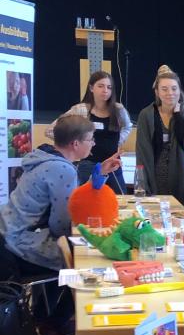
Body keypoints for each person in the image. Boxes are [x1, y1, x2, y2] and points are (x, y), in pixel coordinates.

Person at [0, 115, 121, 279]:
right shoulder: (62, 169)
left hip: (9, 236)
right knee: (89, 261)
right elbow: (61, 227)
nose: (94, 143)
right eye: (91, 139)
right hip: (21, 243)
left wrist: (99, 176)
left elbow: (70, 201)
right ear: (75, 144)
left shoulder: (46, 157)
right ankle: (60, 303)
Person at [45, 70, 132, 195]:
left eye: (109, 87)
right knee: (86, 198)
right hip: (88, 164)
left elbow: (127, 127)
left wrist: (118, 141)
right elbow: (50, 130)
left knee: (119, 201)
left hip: (112, 164)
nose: (105, 90)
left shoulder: (118, 109)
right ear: (91, 88)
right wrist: (76, 144)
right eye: (100, 86)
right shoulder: (80, 109)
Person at [135, 65, 184, 212]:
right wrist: (143, 181)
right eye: (164, 89)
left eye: (174, 88)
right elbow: (142, 149)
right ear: (157, 92)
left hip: (180, 175)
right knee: (155, 216)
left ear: (179, 91)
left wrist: (178, 116)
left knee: (181, 216)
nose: (170, 93)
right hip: (154, 174)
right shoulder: (146, 114)